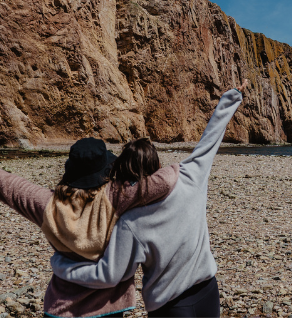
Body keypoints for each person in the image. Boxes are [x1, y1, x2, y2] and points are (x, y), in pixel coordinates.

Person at [50, 79, 248, 318]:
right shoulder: (189, 177)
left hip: (170, 307)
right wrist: (232, 97)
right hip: (208, 292)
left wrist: (62, 266)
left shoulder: (129, 221)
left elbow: (109, 275)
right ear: (156, 165)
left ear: (121, 174)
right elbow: (211, 137)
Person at [0, 137, 178, 318]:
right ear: (107, 170)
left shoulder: (46, 204)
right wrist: (190, 165)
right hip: (109, 307)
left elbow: (3, 183)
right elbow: (164, 181)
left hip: (60, 308)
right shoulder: (118, 197)